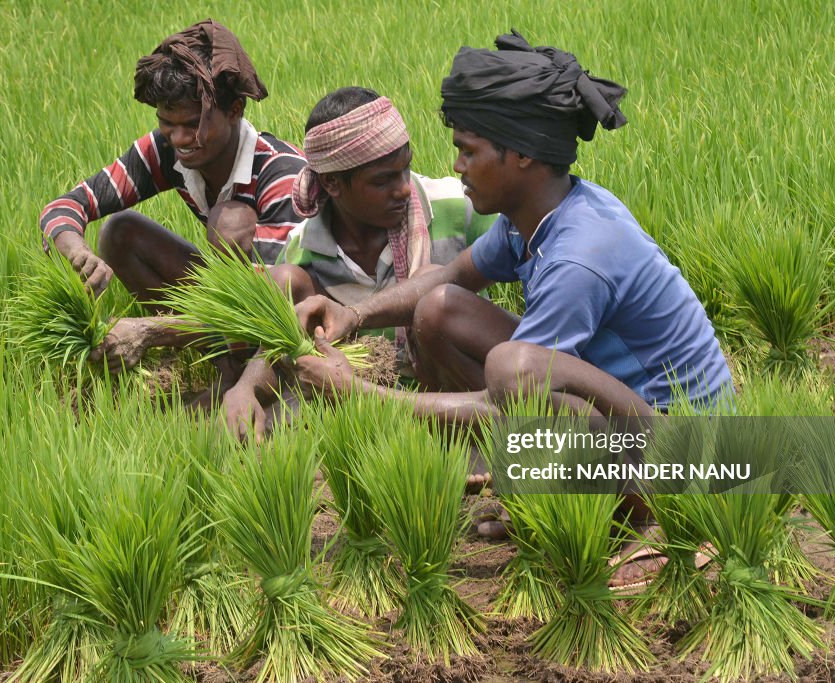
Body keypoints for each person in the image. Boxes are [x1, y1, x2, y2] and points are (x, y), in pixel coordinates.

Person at [289, 33, 734, 581]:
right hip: (627, 419)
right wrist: (353, 316)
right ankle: (520, 483)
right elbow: (450, 276)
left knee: (514, 368)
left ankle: (642, 524)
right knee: (440, 307)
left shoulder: (578, 259)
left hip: (686, 453)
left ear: (521, 154)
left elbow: (508, 399)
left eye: (469, 151)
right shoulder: (538, 216)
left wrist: (358, 394)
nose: (456, 166)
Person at [220, 86, 496, 440]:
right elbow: (276, 342)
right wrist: (245, 387)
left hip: (455, 400)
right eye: (383, 180)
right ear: (333, 183)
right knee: (285, 280)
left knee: (433, 285)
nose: (404, 189)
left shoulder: (455, 208)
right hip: (363, 403)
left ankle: (458, 441)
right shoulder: (304, 248)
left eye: (405, 169)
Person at [39, 19, 305, 306]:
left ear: (234, 110)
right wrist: (78, 252)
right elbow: (67, 205)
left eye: (193, 125)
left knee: (228, 222)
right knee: (120, 232)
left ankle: (208, 341)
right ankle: (202, 341)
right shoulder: (166, 149)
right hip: (241, 294)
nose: (178, 139)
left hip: (300, 300)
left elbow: (282, 293)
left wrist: (150, 334)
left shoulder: (280, 175)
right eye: (166, 123)